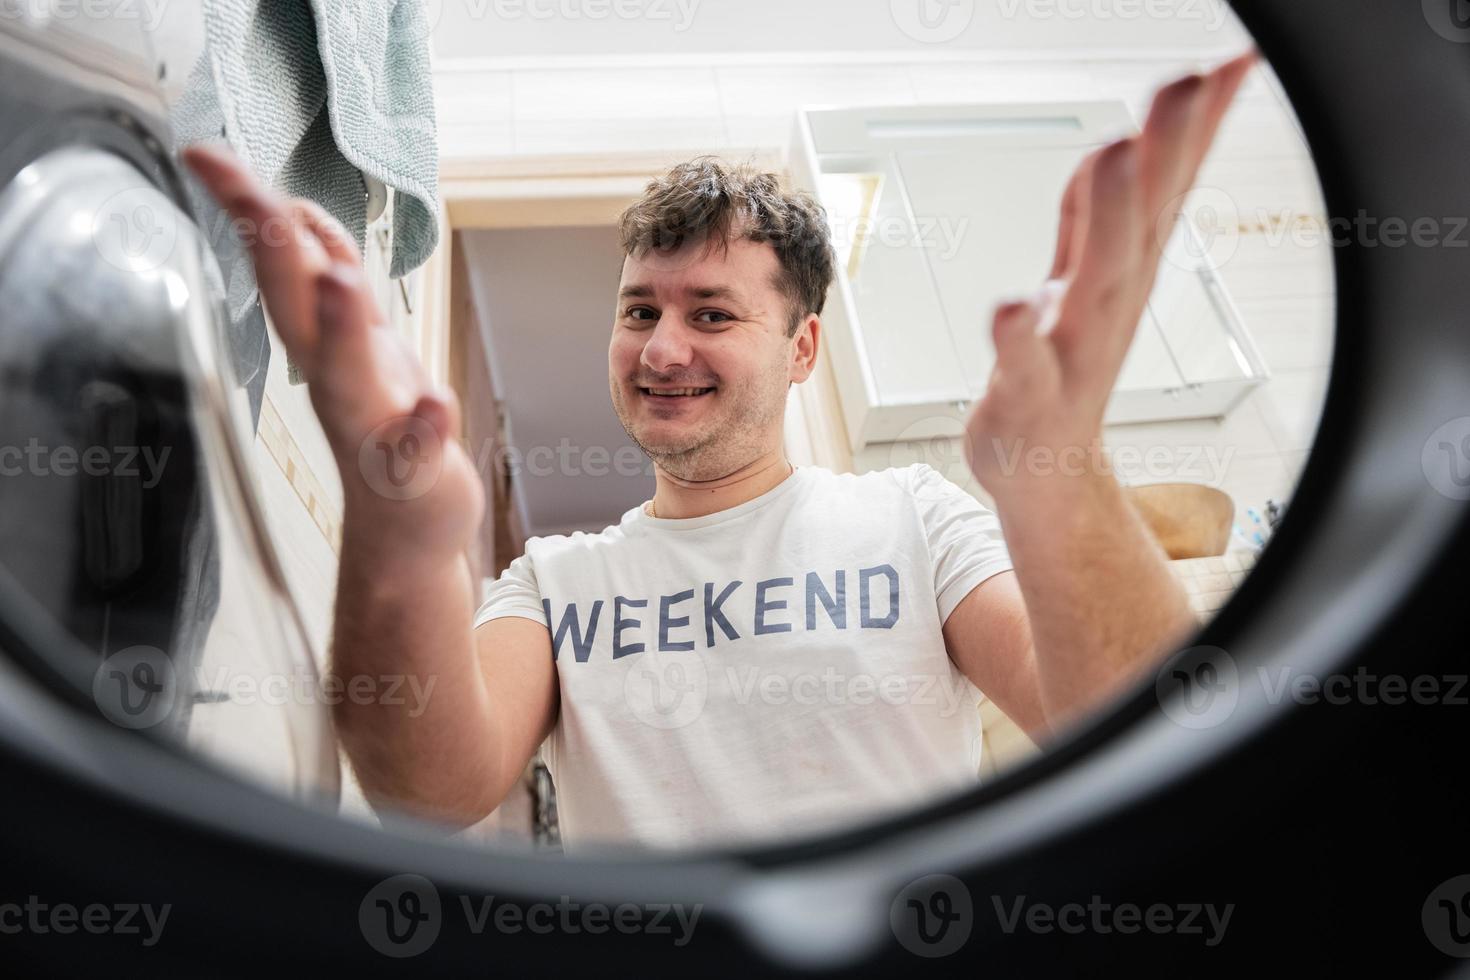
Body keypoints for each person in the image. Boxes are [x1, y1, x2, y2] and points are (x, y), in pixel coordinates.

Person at [183, 50, 1257, 852]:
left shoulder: (916, 520)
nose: (662, 347)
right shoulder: (556, 581)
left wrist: (1059, 467)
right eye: (640, 307)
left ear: (802, 350)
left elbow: (1126, 731)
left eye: (712, 313)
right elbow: (429, 788)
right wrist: (399, 522)